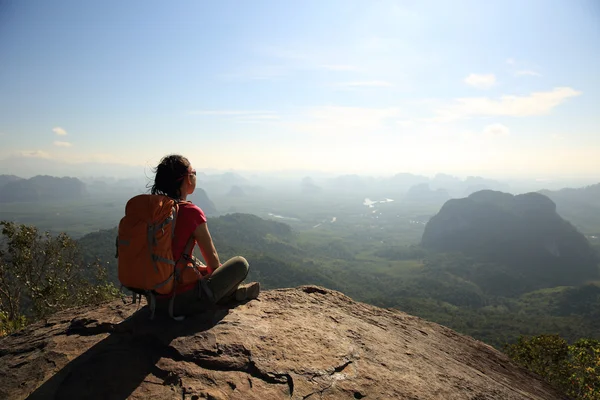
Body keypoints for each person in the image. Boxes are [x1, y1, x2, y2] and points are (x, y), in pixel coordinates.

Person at [150, 154, 259, 316]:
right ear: (187, 179)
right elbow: (213, 263)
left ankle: (233, 293)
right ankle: (232, 294)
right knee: (240, 264)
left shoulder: (153, 209)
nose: (195, 176)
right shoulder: (191, 212)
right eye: (194, 172)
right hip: (180, 302)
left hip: (154, 299)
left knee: (195, 261)